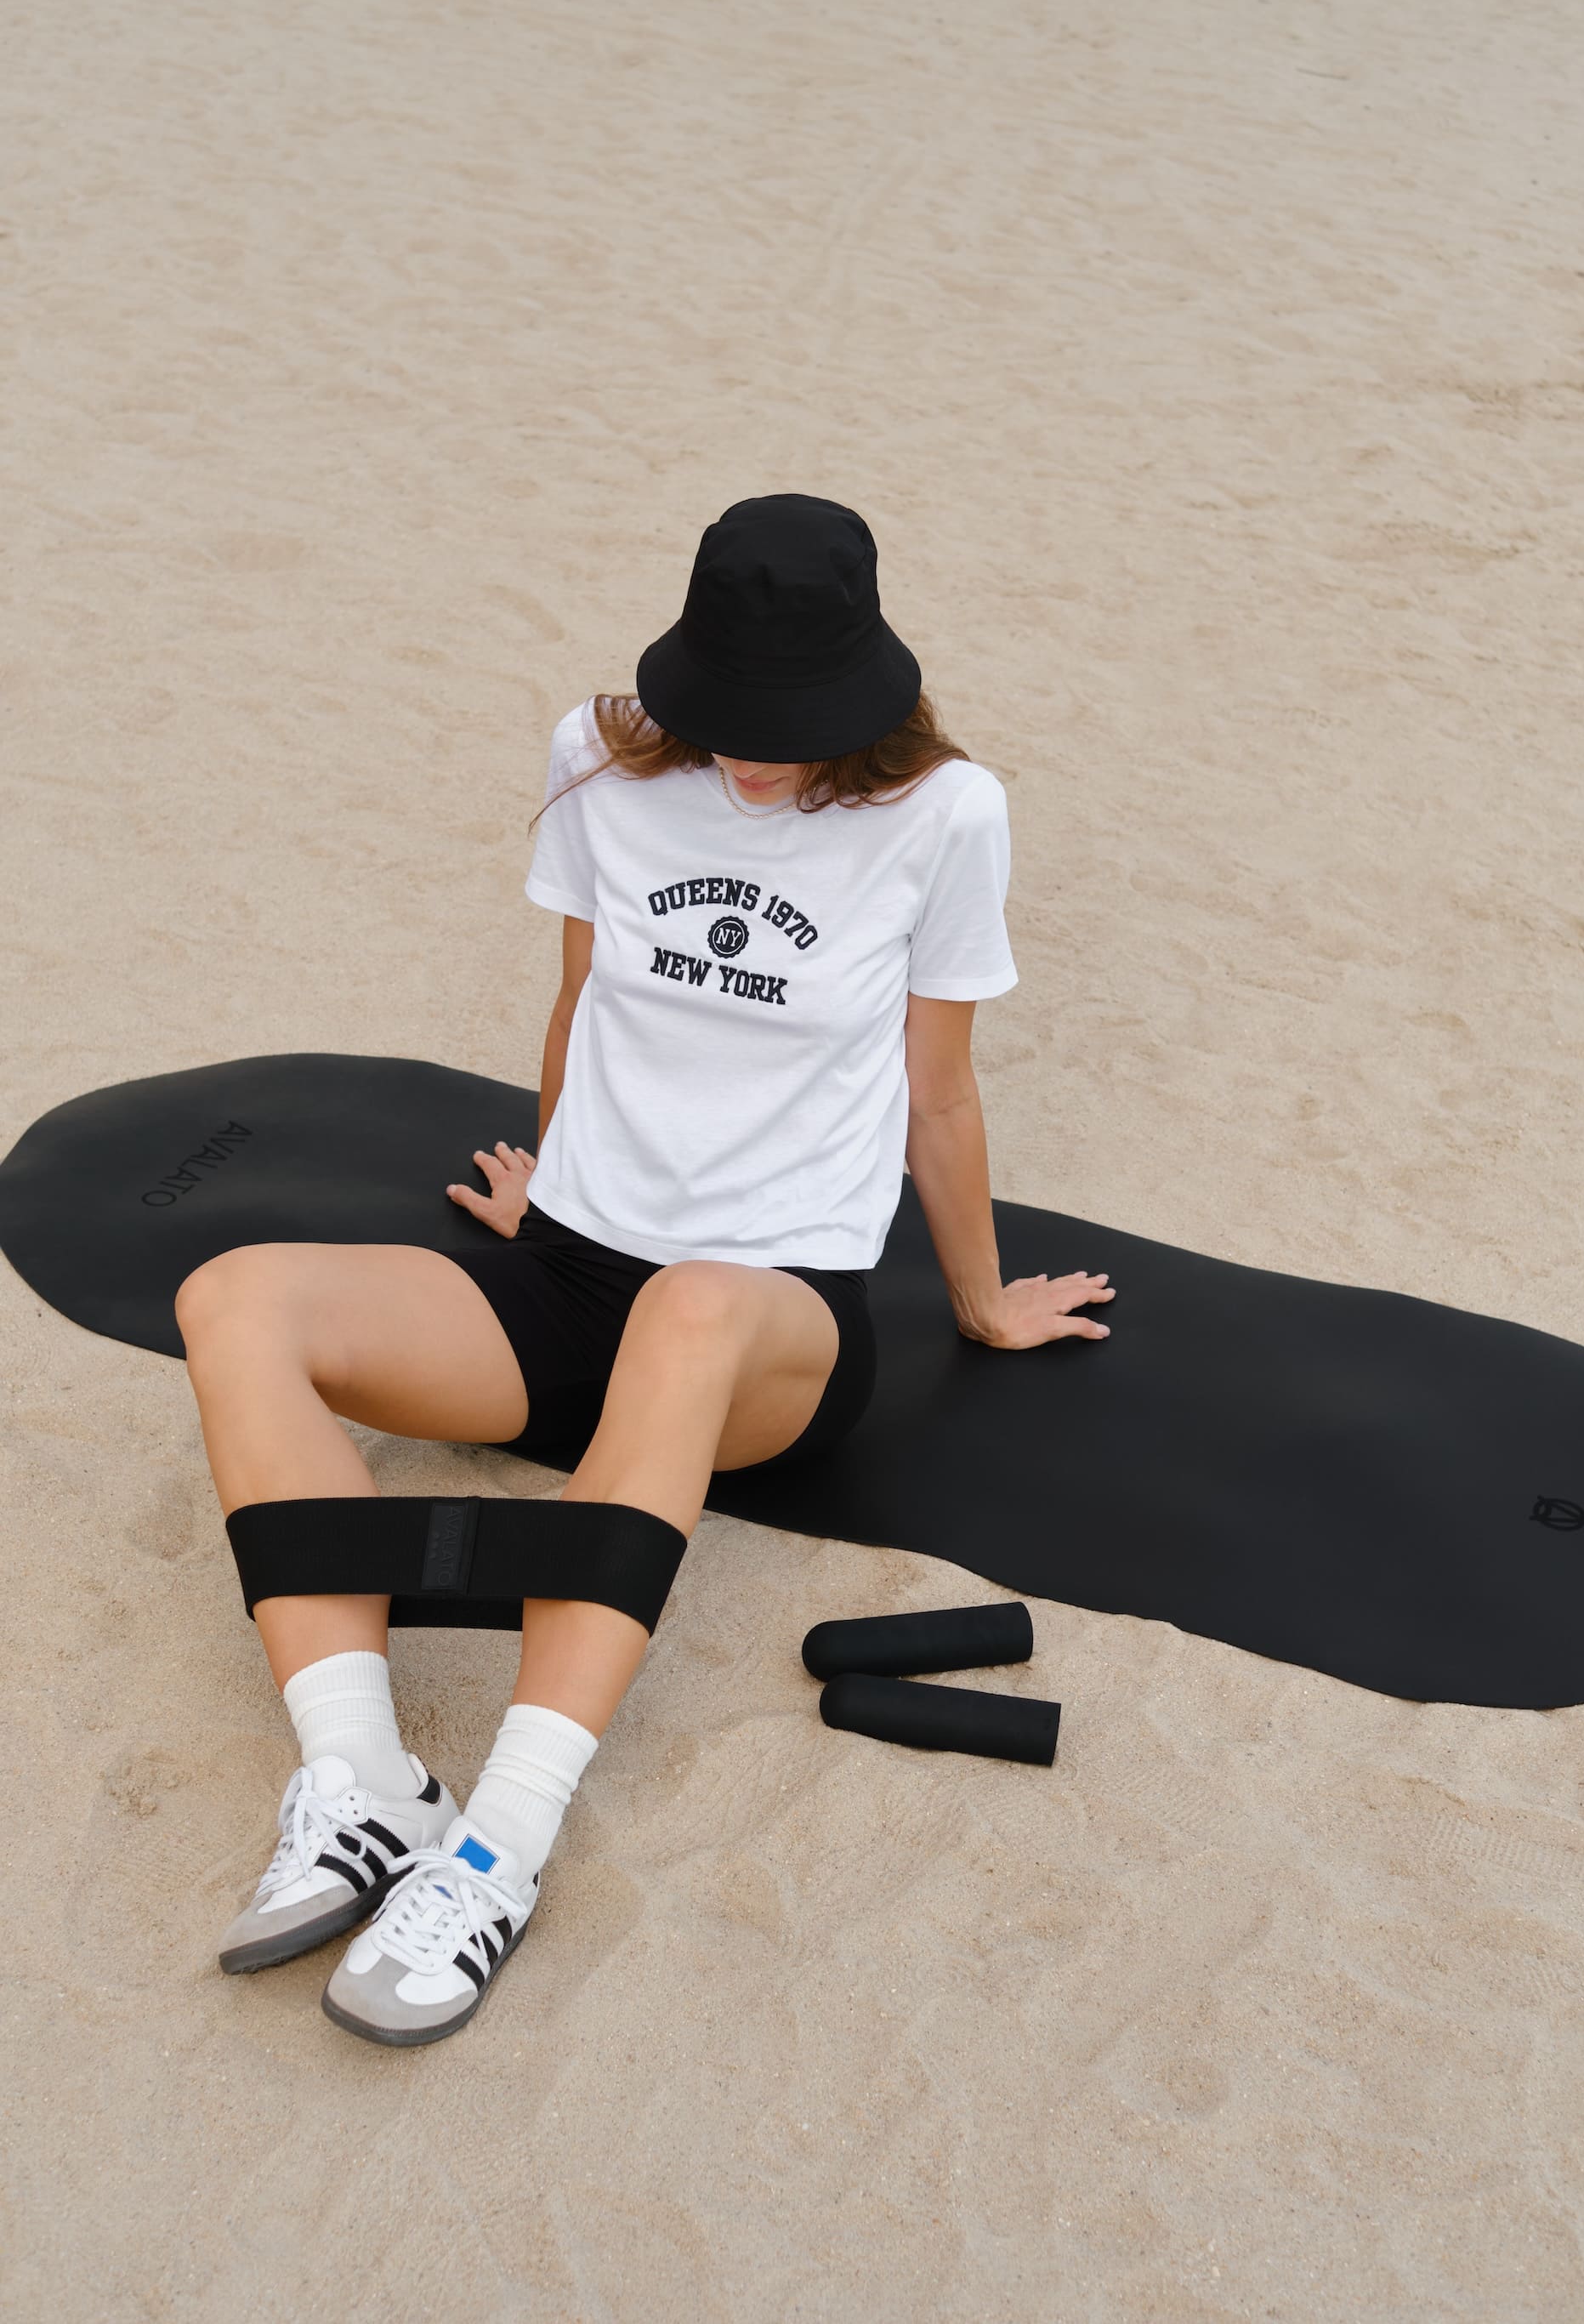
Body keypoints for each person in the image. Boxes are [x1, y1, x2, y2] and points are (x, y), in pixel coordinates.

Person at [176, 493, 1116, 2045]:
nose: (751, 754)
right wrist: (563, 1177)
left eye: (787, 726)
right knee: (235, 1296)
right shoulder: (600, 759)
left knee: (687, 1306)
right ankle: (360, 1780)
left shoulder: (947, 815)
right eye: (729, 717)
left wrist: (976, 1297)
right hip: (569, 1274)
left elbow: (938, 1090)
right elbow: (584, 1005)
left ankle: (498, 1847)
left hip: (770, 1321)